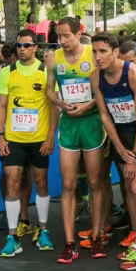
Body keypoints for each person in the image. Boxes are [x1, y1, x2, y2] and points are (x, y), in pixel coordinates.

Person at [91, 35, 136, 270]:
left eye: (103, 51)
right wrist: (119, 148)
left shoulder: (133, 73)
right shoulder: (96, 76)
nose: (98, 57)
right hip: (119, 135)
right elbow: (105, 115)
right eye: (95, 52)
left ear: (115, 52)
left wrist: (134, 155)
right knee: (129, 186)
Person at [0, 29, 56, 257]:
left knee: (41, 183)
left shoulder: (45, 71)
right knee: (12, 181)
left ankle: (43, 230)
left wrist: (50, 136)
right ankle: (12, 236)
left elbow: (53, 106)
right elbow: (0, 105)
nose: (22, 50)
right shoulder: (6, 72)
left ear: (35, 48)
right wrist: (0, 135)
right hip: (14, 139)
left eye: (27, 46)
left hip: (39, 139)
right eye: (19, 46)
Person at [50, 17, 104, 258]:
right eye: (59, 36)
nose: (62, 41)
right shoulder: (53, 57)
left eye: (66, 36)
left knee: (94, 183)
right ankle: (69, 242)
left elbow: (103, 88)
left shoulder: (94, 54)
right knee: (68, 185)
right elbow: (50, 91)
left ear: (78, 33)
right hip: (69, 125)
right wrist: (61, 102)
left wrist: (88, 104)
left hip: (92, 122)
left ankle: (96, 236)